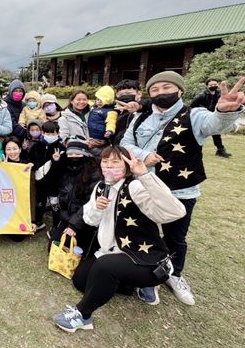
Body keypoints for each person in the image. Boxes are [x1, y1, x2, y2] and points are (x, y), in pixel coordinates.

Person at [121, 71, 245, 305]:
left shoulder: (194, 115)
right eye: (154, 90)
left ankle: (174, 274)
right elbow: (126, 143)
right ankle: (147, 276)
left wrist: (225, 112)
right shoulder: (140, 118)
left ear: (179, 90)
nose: (161, 93)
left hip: (180, 190)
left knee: (175, 237)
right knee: (142, 232)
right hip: (143, 186)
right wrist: (143, 155)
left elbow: (215, 124)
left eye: (167, 88)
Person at [53, 146, 186, 333]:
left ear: (126, 164)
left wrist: (145, 175)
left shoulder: (135, 186)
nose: (109, 166)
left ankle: (83, 316)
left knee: (105, 268)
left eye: (115, 161)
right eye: (105, 161)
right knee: (81, 281)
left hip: (143, 255)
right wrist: (97, 208)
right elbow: (90, 219)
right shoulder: (101, 187)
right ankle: (136, 285)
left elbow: (176, 212)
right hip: (111, 252)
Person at [49, 137, 101, 254]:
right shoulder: (63, 168)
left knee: (79, 252)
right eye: (70, 153)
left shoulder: (94, 173)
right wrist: (55, 164)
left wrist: (74, 225)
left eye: (78, 153)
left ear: (86, 155)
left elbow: (90, 204)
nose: (73, 156)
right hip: (66, 216)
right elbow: (49, 182)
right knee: (54, 248)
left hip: (84, 219)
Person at [29, 121, 65, 228]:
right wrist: (32, 165)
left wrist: (56, 161)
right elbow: (31, 159)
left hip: (54, 183)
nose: (50, 136)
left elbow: (63, 167)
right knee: (39, 203)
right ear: (42, 133)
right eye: (47, 133)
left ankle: (57, 225)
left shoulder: (61, 148)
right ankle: (38, 222)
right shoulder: (36, 146)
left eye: (52, 133)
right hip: (39, 182)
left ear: (58, 133)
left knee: (55, 205)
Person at [190, 78, 231, 158]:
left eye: (215, 85)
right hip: (202, 117)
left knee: (216, 133)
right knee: (196, 134)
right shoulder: (201, 95)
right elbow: (192, 106)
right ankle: (194, 151)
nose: (213, 86)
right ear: (207, 86)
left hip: (213, 116)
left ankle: (220, 150)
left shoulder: (219, 94)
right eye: (211, 85)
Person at [112, 79, 147, 145]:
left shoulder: (145, 110)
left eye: (129, 93)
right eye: (121, 94)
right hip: (116, 146)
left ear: (139, 94)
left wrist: (139, 106)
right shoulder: (115, 109)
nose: (125, 96)